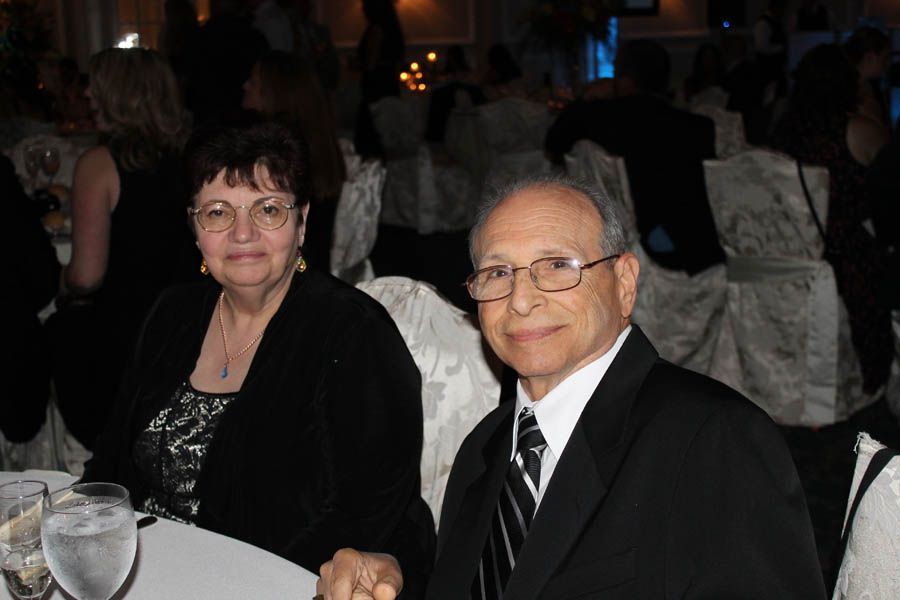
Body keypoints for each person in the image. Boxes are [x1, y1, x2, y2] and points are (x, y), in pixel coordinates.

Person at [317, 174, 826, 599]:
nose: (521, 300)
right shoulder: (486, 448)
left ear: (624, 282)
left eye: (557, 266)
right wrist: (395, 576)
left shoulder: (716, 441)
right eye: (498, 272)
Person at [81, 121, 435, 591]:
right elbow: (110, 463)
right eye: (218, 212)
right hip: (149, 568)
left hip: (277, 582)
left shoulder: (354, 334)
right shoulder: (173, 313)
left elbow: (363, 515)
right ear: (195, 228)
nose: (242, 233)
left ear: (302, 222)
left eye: (268, 210)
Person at [47, 48, 194, 450]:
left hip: (126, 345)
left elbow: (86, 277)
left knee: (54, 330)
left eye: (96, 85)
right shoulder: (193, 159)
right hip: (189, 334)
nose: (88, 94)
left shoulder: (100, 163)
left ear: (122, 94)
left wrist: (58, 279)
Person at [545, 39, 723, 275]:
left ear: (624, 79)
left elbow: (553, 143)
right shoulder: (699, 127)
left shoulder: (598, 119)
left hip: (626, 246)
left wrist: (587, 97)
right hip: (693, 250)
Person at [773, 43, 891, 396]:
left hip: (791, 253)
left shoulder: (782, 133)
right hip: (846, 259)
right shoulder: (859, 130)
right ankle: (877, 374)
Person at [242, 50, 346, 267]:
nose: (245, 86)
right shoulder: (316, 143)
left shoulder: (278, 153)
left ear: (274, 93)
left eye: (253, 82)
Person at [354, 0, 405, 157]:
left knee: (370, 139)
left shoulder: (376, 29)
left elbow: (371, 62)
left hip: (375, 89)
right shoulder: (393, 29)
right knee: (386, 136)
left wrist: (358, 65)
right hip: (389, 86)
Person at [843, 27, 891, 131]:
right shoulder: (847, 91)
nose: (887, 64)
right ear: (870, 57)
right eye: (885, 58)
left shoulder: (875, 87)